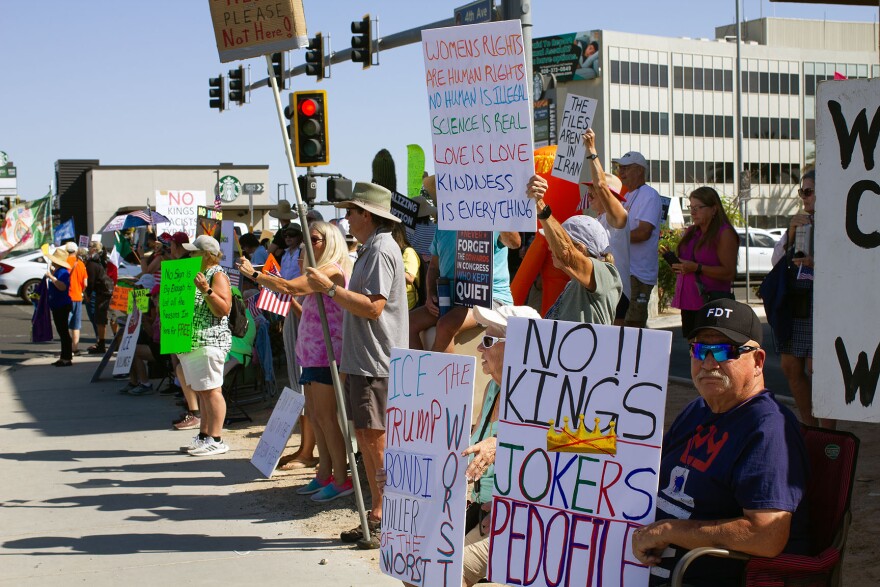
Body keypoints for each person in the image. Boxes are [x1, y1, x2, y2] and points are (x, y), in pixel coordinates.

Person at [631, 299, 810, 587]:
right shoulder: (698, 409)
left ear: (758, 361)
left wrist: (668, 530)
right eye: (700, 349)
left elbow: (767, 535)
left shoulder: (768, 430)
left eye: (725, 350)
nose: (709, 362)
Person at [305, 182, 408, 547]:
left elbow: (374, 306)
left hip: (376, 359)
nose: (346, 218)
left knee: (374, 436)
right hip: (366, 359)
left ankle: (384, 513)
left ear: (367, 214)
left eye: (351, 211)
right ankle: (381, 510)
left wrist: (330, 290)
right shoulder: (372, 248)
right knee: (366, 435)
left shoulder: (380, 249)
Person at [240, 221, 355, 502]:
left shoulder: (330, 271)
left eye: (313, 240)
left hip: (328, 356)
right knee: (316, 417)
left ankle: (341, 479)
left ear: (330, 242)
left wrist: (255, 274)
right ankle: (325, 474)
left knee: (327, 418)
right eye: (305, 242)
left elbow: (289, 286)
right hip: (314, 354)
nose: (306, 246)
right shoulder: (321, 272)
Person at [459, 304, 541, 586]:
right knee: (415, 563)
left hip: (522, 521)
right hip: (483, 513)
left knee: (445, 575)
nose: (480, 348)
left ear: (519, 348)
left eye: (488, 341)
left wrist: (505, 442)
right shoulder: (493, 388)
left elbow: (566, 450)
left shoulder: (543, 397)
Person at [770, 170, 828, 428]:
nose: (803, 197)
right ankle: (810, 427)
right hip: (796, 299)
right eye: (801, 191)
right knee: (791, 366)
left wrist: (817, 264)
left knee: (821, 370)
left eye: (808, 191)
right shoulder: (799, 221)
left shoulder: (839, 222)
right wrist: (791, 235)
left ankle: (829, 434)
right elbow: (776, 262)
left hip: (824, 302)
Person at [525, 175, 623, 324]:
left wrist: (539, 204)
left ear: (581, 249)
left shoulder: (606, 273)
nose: (551, 247)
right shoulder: (574, 283)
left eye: (556, 241)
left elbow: (565, 253)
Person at [409, 228, 520, 353]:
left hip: (491, 299)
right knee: (409, 322)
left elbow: (515, 243)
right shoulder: (444, 224)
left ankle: (433, 371)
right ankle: (417, 370)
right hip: (452, 298)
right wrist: (430, 294)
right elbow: (434, 266)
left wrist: (497, 215)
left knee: (446, 325)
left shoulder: (490, 219)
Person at [176, 235, 233, 457]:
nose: (190, 255)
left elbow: (224, 308)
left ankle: (216, 438)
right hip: (194, 342)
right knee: (202, 392)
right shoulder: (198, 273)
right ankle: (205, 435)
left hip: (210, 341)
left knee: (212, 391)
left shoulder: (217, 274)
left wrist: (206, 290)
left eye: (194, 252)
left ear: (207, 255)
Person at [670, 187, 738, 338]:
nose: (693, 212)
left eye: (698, 208)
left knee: (709, 350)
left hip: (710, 302)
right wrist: (678, 265)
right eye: (691, 207)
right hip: (688, 301)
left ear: (714, 209)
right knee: (693, 352)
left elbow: (729, 272)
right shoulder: (691, 232)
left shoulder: (724, 233)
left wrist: (697, 268)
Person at [582, 128, 630, 324]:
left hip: (617, 292)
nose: (590, 197)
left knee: (615, 348)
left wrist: (591, 149)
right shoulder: (599, 220)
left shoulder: (619, 218)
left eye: (594, 193)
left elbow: (601, 185)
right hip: (601, 288)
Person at [613, 150, 662, 328]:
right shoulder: (626, 195)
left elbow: (643, 233)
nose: (621, 173)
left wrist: (614, 238)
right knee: (619, 323)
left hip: (639, 274)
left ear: (640, 170)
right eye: (620, 168)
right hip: (625, 271)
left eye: (626, 168)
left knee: (633, 326)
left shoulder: (649, 194)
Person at [44, 248, 73, 367]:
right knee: (61, 331)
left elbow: (62, 287)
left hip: (62, 305)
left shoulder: (63, 272)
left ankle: (67, 358)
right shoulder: (58, 271)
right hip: (57, 304)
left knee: (64, 331)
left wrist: (52, 277)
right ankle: (63, 356)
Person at [84, 241, 114, 355]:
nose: (88, 248)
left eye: (90, 247)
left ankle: (101, 344)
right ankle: (115, 342)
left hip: (103, 293)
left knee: (101, 320)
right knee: (111, 317)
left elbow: (91, 282)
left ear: (95, 250)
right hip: (108, 291)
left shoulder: (92, 264)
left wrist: (88, 294)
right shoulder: (102, 261)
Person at [391, 223, 420, 310]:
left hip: (408, 305)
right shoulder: (395, 252)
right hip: (396, 304)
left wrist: (388, 268)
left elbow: (410, 278)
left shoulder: (408, 252)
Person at [67, 246, 89, 355]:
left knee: (64, 324)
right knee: (75, 325)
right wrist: (81, 290)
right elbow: (85, 283)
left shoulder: (64, 262)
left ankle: (66, 348)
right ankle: (75, 349)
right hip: (77, 297)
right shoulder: (81, 264)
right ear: (75, 251)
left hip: (67, 296)